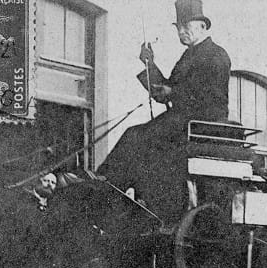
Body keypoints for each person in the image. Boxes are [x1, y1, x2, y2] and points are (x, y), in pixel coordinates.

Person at [98, 0, 231, 223]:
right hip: (181, 120)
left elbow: (212, 100)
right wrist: (150, 64)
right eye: (178, 27)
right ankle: (113, 186)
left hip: (202, 125)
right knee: (137, 138)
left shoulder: (217, 55)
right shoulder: (188, 56)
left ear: (202, 26)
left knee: (135, 135)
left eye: (186, 26)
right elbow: (167, 89)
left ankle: (107, 183)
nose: (181, 31)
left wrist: (173, 93)